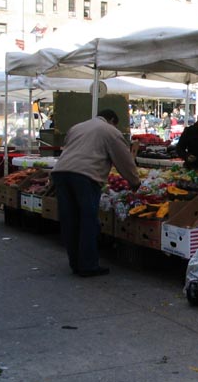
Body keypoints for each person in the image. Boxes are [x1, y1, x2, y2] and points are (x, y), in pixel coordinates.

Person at [51, 109, 140, 277]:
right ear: (112, 120)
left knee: (70, 220)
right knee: (88, 220)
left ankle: (75, 263)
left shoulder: (77, 127)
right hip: (85, 176)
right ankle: (88, 265)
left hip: (61, 172)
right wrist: (134, 181)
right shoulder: (110, 131)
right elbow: (124, 159)